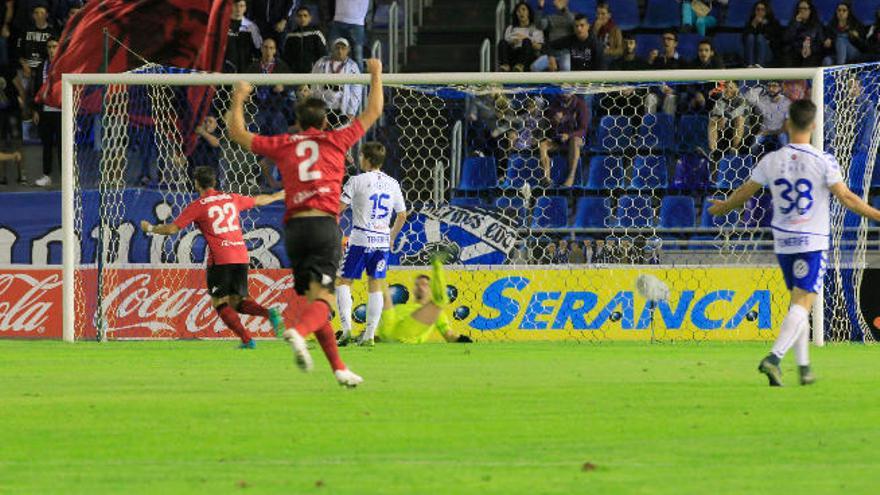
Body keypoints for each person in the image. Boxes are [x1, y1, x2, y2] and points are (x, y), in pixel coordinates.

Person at [227, 58, 385, 387]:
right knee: (324, 302)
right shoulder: (336, 139)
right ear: (326, 120)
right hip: (324, 226)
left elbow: (238, 133)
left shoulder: (284, 144)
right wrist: (375, 74)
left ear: (298, 122)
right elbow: (373, 112)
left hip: (295, 230)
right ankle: (298, 332)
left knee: (316, 299)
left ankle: (340, 369)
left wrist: (239, 95)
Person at [708, 99, 880, 386]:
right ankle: (774, 358)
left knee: (797, 303)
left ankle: (803, 367)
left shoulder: (771, 160)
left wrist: (723, 207)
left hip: (784, 242)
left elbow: (744, 192)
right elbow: (847, 198)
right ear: (814, 125)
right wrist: (877, 214)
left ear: (787, 124)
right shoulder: (823, 160)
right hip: (811, 241)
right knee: (804, 302)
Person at [139, 166, 286, 349]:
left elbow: (172, 229)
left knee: (219, 302)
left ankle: (248, 340)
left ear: (196, 184)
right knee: (238, 301)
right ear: (215, 182)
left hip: (221, 257)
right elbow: (258, 200)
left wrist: (150, 229)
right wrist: (278, 196)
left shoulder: (198, 205)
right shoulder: (231, 198)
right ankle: (268, 314)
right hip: (241, 254)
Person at [336, 141, 408, 347]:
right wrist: (391, 236)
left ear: (366, 159)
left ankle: (347, 330)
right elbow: (402, 215)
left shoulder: (356, 181)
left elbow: (339, 209)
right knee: (375, 285)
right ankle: (369, 336)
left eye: (360, 157)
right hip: (382, 242)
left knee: (343, 282)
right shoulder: (393, 183)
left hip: (360, 240)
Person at [375, 255, 472, 344]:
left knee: (440, 302)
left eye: (424, 285)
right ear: (413, 289)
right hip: (387, 333)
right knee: (384, 294)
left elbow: (448, 335)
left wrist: (460, 341)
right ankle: (377, 259)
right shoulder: (399, 307)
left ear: (431, 289)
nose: (420, 287)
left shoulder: (435, 313)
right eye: (417, 285)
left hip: (404, 336)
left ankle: (437, 264)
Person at [539, 92, 588, 187]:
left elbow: (583, 129)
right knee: (543, 145)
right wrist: (554, 121)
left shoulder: (581, 105)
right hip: (558, 139)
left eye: (567, 90)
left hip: (575, 138)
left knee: (575, 140)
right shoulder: (555, 103)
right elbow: (549, 125)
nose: (565, 92)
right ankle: (546, 178)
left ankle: (571, 177)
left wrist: (569, 136)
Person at [310, 37, 361, 126]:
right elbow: (314, 85)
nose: (340, 51)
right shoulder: (321, 62)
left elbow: (356, 91)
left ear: (348, 50)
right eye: (337, 48)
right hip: (323, 108)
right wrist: (315, 106)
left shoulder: (353, 66)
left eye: (343, 48)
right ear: (332, 49)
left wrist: (351, 111)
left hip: (342, 109)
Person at [32, 36, 59, 188]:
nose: (51, 50)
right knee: (46, 144)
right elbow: (36, 89)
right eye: (49, 47)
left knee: (64, 145)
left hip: (62, 111)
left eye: (54, 46)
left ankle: (67, 177)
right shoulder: (42, 65)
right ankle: (46, 175)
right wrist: (36, 110)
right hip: (45, 111)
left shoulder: (65, 64)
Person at [745, 80, 791, 157]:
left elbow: (786, 127)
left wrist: (770, 132)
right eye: (769, 86)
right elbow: (748, 98)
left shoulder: (787, 102)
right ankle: (753, 164)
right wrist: (759, 89)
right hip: (763, 131)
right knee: (753, 146)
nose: (771, 89)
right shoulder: (763, 99)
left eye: (774, 86)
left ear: (780, 88)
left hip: (780, 131)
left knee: (785, 146)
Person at [499, 1, 544, 72]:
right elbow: (505, 46)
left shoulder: (536, 29)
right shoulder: (510, 28)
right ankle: (505, 66)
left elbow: (540, 47)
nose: (521, 13)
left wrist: (526, 39)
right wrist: (512, 42)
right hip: (513, 53)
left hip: (527, 56)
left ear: (528, 12)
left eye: (523, 10)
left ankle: (520, 66)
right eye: (518, 11)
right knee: (502, 42)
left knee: (526, 41)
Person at [281, 5, 326, 74]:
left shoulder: (316, 34)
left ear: (310, 18)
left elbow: (323, 56)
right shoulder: (290, 36)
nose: (302, 18)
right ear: (296, 18)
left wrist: (316, 70)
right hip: (294, 75)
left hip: (313, 74)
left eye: (305, 16)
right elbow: (286, 58)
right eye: (300, 16)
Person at [708, 81, 748, 157]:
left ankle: (734, 148)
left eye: (730, 87)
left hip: (743, 128)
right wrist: (719, 118)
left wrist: (725, 118)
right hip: (725, 127)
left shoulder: (742, 99)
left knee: (739, 119)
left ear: (737, 89)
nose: (727, 90)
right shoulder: (721, 100)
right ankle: (713, 150)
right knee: (713, 120)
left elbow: (740, 111)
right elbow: (717, 112)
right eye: (726, 87)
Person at [533, 0, 575, 72]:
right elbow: (539, 25)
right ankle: (548, 83)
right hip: (551, 53)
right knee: (534, 67)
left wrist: (563, 9)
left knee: (566, 68)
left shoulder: (572, 16)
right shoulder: (550, 17)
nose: (559, 2)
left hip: (565, 53)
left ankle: (562, 83)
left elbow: (572, 22)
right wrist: (540, 7)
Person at [782, 1, 825, 67]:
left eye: (805, 9)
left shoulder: (817, 25)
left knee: (812, 59)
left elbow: (820, 42)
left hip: (811, 53)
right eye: (800, 9)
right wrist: (796, 23)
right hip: (795, 52)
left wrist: (811, 49)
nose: (802, 11)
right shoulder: (793, 23)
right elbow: (787, 39)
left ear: (810, 11)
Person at [224, 0, 262, 73]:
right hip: (225, 70)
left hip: (244, 69)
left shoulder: (251, 27)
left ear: (245, 8)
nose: (238, 8)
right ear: (231, 6)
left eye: (241, 6)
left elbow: (258, 48)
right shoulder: (223, 24)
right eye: (236, 5)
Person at [328, 0, 368, 68]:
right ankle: (331, 76)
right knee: (332, 53)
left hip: (357, 22)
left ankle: (358, 77)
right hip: (338, 20)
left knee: (357, 56)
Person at [743, 1, 781, 68]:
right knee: (750, 37)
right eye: (758, 9)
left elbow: (775, 41)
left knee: (760, 37)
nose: (760, 12)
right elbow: (744, 40)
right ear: (754, 11)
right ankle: (750, 65)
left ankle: (760, 65)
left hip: (768, 53)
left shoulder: (773, 22)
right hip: (752, 53)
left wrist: (764, 25)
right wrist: (754, 25)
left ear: (767, 11)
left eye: (763, 10)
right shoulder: (750, 22)